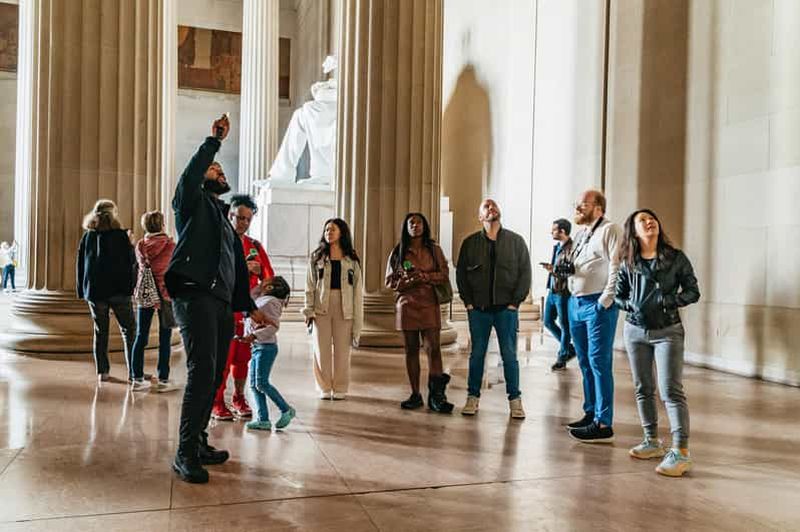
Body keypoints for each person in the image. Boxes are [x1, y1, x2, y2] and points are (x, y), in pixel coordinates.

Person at [164, 115, 268, 484]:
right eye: (214, 169)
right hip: (196, 297)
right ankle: (185, 452)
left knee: (214, 379)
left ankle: (201, 441)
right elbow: (189, 177)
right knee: (201, 374)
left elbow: (235, 266)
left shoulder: (222, 218)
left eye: (221, 169)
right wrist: (213, 143)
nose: (219, 172)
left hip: (221, 303)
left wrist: (249, 308)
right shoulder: (190, 204)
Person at [615, 209, 700, 477]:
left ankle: (681, 452)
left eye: (652, 218)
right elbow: (619, 296)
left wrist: (667, 301)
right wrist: (632, 306)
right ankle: (651, 441)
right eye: (642, 220)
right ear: (634, 232)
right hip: (635, 331)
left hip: (668, 331)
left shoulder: (676, 259)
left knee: (671, 391)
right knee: (643, 388)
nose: (649, 222)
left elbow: (692, 291)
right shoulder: (628, 262)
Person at [456, 199, 531, 419]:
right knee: (477, 354)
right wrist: (468, 302)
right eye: (486, 207)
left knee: (510, 355)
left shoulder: (516, 241)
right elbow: (461, 274)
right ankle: (472, 397)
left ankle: (515, 400)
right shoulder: (470, 243)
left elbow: (524, 273)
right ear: (480, 217)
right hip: (478, 309)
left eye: (494, 205)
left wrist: (514, 303)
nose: (491, 208)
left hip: (506, 310)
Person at [211, 194, 275, 421]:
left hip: (248, 311)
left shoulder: (254, 246)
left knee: (242, 358)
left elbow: (269, 277)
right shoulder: (218, 242)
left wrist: (259, 274)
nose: (243, 223)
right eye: (240, 218)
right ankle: (217, 401)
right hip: (224, 308)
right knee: (223, 360)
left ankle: (238, 397)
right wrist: (242, 269)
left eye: (248, 219)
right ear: (230, 215)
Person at [565, 190, 622, 443]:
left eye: (583, 204)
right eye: (577, 204)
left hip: (597, 304)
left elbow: (617, 266)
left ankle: (603, 422)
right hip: (575, 302)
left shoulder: (610, 229)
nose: (578, 208)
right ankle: (590, 413)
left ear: (598, 207)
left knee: (599, 362)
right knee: (585, 362)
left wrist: (605, 301)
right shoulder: (581, 234)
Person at [385, 212, 454, 413]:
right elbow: (389, 281)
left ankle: (437, 395)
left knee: (434, 348)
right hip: (407, 305)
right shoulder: (398, 252)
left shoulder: (434, 250)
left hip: (429, 303)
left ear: (425, 226)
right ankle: (415, 394)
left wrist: (424, 276)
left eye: (419, 222)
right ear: (406, 228)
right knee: (411, 350)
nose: (415, 225)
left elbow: (444, 274)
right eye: (411, 222)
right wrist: (406, 281)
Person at [76, 200, 137, 383]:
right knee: (130, 331)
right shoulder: (121, 236)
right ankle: (134, 371)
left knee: (100, 332)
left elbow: (80, 266)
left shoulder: (88, 237)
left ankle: (103, 371)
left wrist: (82, 289)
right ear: (113, 215)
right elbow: (131, 264)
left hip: (95, 292)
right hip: (119, 291)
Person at [302, 218, 363, 400]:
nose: (329, 233)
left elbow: (357, 291)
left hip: (345, 307)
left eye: (333, 230)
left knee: (343, 351)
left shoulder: (351, 259)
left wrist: (358, 320)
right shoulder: (317, 258)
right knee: (321, 349)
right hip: (322, 307)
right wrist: (308, 310)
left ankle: (340, 388)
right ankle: (324, 386)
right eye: (326, 230)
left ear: (341, 233)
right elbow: (309, 286)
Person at [130, 211, 179, 392]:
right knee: (165, 338)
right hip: (165, 294)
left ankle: (137, 378)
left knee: (140, 336)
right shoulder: (171, 245)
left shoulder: (140, 245)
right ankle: (164, 379)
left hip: (146, 292)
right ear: (162, 225)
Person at [240, 275, 296, 432]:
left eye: (265, 282)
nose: (261, 283)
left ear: (271, 288)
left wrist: (254, 335)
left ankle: (286, 409)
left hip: (266, 347)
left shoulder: (271, 302)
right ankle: (263, 419)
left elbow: (273, 326)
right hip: (258, 346)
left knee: (261, 383)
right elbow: (249, 295)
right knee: (254, 385)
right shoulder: (262, 299)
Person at [541, 219, 576, 371]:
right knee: (547, 321)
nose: (551, 232)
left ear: (562, 231)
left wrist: (553, 269)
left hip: (563, 292)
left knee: (565, 325)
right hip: (552, 291)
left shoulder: (572, 249)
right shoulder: (556, 247)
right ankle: (569, 348)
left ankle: (562, 357)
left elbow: (571, 270)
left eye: (554, 229)